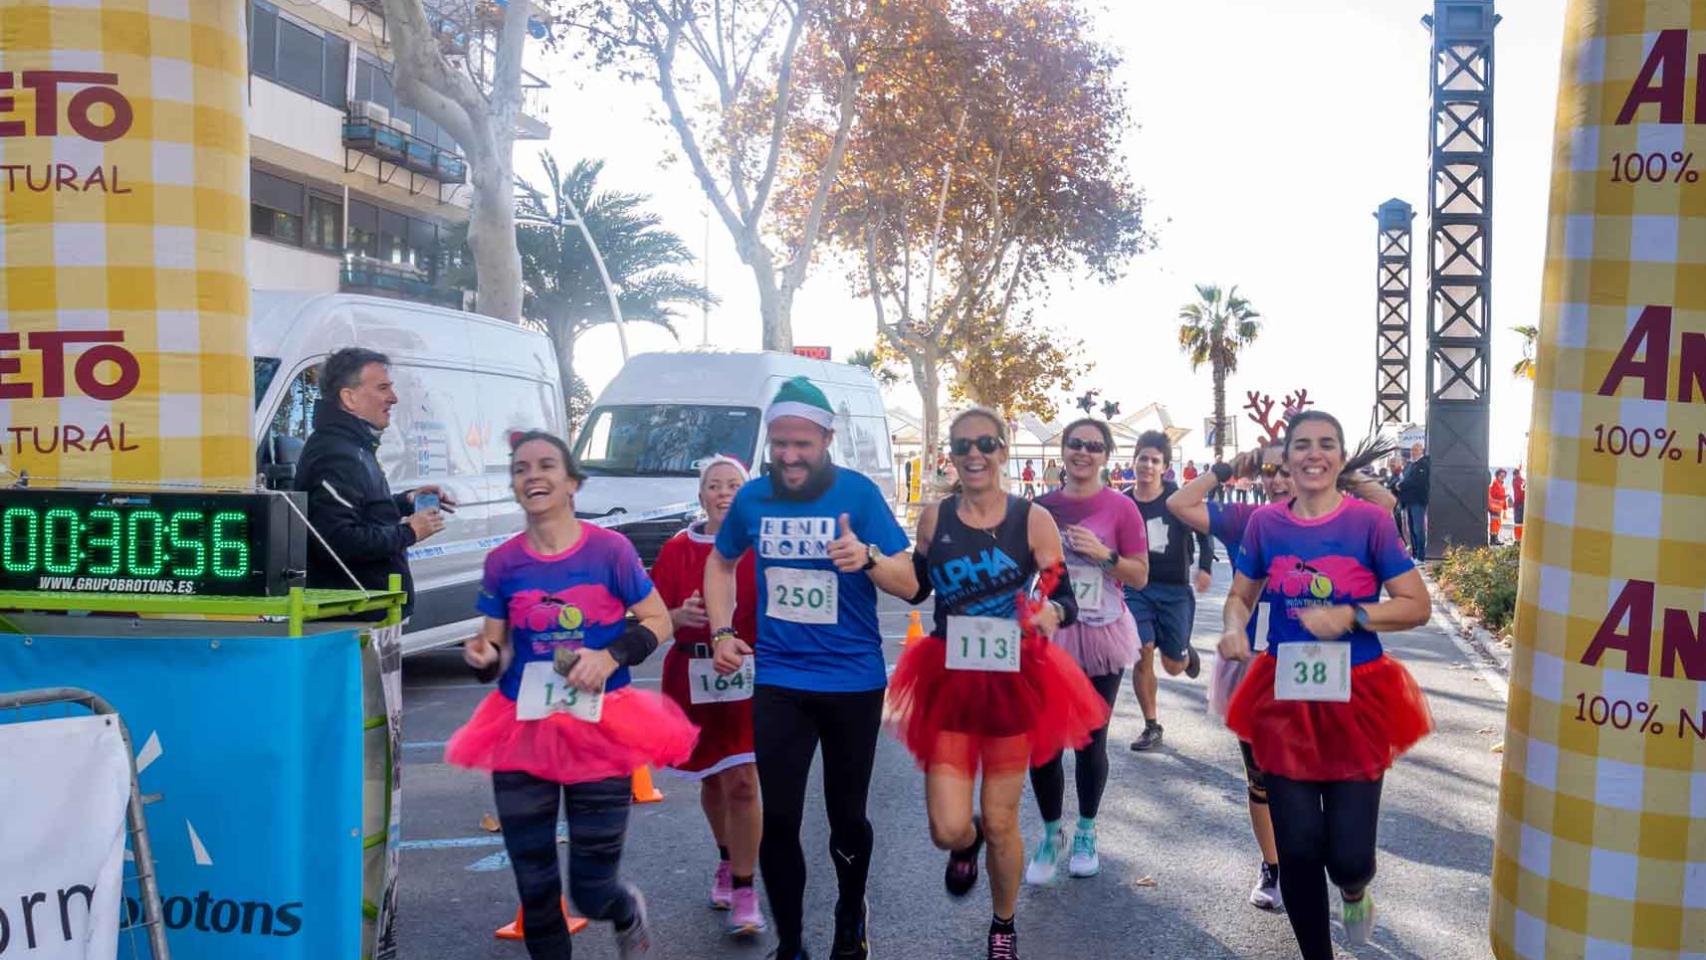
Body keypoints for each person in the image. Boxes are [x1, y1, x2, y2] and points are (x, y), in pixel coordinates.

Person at [447, 431, 699, 960]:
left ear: (572, 483)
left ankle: (625, 910)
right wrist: (482, 657)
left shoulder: (611, 551)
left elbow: (658, 619)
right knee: (536, 889)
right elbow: (494, 643)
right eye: (520, 469)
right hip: (523, 726)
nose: (532, 476)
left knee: (591, 889)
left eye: (545, 466)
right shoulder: (503, 563)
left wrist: (610, 657)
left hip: (601, 726)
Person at [705, 377, 916, 960]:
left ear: (827, 439)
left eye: (803, 444)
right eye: (780, 444)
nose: (791, 456)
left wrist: (868, 557)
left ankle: (851, 913)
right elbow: (720, 563)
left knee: (847, 816)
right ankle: (792, 943)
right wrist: (723, 631)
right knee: (780, 818)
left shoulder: (859, 495)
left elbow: (912, 584)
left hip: (853, 681)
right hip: (779, 680)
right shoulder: (751, 498)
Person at [887, 409, 1109, 960]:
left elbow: (1064, 595)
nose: (974, 454)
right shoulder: (934, 519)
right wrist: (869, 560)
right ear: (951, 456)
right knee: (946, 825)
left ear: (1003, 451)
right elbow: (917, 588)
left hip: (1014, 679)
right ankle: (967, 842)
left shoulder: (1032, 520)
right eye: (963, 446)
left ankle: (1003, 924)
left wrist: (1052, 614)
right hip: (950, 680)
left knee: (1006, 815)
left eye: (986, 443)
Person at [1218, 411, 1433, 959]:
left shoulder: (1369, 523)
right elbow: (1241, 594)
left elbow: (1416, 606)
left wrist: (1350, 617)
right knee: (1297, 846)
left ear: (1339, 457)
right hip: (1284, 694)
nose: (1314, 454)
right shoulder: (1266, 524)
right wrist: (1233, 627)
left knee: (1349, 858)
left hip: (1356, 696)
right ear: (1285, 458)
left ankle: (1356, 890)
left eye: (1326, 445)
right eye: (1302, 446)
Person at [1167, 441, 1290, 911]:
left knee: (1315, 773)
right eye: (1268, 470)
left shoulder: (1332, 518)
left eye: (1289, 468)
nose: (1277, 480)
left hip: (1319, 668)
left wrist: (1341, 471)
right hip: (1253, 664)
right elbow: (1179, 503)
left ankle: (1331, 864)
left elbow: (1384, 506)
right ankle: (1274, 868)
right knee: (1261, 776)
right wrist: (1223, 469)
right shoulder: (1246, 521)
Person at [1028, 419, 1149, 883]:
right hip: (1051, 631)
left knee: (1089, 738)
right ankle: (1050, 833)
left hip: (1101, 630)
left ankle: (1086, 831)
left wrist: (1104, 554)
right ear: (1063, 450)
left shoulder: (1121, 509)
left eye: (1094, 446)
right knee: (1043, 741)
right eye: (1076, 444)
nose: (1084, 452)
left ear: (1106, 455)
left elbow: (1139, 576)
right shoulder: (1041, 507)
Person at [654, 457, 766, 936]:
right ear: (700, 496)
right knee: (713, 781)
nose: (723, 493)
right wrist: (677, 616)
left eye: (733, 485)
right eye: (714, 486)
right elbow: (652, 618)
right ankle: (726, 858)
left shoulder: (761, 546)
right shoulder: (678, 549)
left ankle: (745, 888)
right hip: (692, 674)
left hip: (749, 675)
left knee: (743, 778)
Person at [296, 347, 452, 618]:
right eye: (382, 388)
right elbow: (336, 538)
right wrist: (409, 532)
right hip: (352, 618)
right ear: (349, 397)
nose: (393, 398)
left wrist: (405, 501)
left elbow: (358, 511)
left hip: (368, 612)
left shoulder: (353, 446)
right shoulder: (336, 453)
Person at [1124, 430, 1212, 753]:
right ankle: (1151, 725)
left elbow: (1205, 531)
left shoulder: (1177, 498)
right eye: (1142, 458)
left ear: (1164, 467)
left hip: (1175, 590)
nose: (1147, 465)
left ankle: (1183, 651)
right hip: (1137, 589)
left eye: (1154, 460)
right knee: (1141, 649)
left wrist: (1206, 567)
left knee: (1173, 665)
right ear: (1133, 462)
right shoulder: (1123, 502)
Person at [1395, 443, 1430, 560]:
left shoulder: (1424, 464)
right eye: (1412, 450)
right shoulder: (1411, 465)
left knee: (1418, 529)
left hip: (1418, 501)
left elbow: (1417, 482)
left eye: (1416, 449)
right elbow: (1404, 478)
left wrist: (1402, 485)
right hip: (1408, 501)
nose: (1413, 452)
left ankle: (1421, 556)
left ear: (1421, 451)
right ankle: (1415, 555)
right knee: (1411, 529)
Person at [1488, 468, 1508, 545]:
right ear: (1497, 475)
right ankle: (1493, 540)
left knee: (1497, 523)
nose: (1503, 477)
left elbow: (1501, 497)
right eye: (1501, 475)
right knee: (1495, 523)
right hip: (1494, 507)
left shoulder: (1500, 484)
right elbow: (1495, 494)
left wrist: (1505, 507)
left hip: (1497, 507)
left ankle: (1495, 538)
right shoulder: (1495, 483)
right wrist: (1505, 495)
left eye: (1504, 476)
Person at [1511, 467, 1526, 544]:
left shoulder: (1515, 481)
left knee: (1518, 523)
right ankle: (1521, 539)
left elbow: (1518, 494)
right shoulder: (1523, 481)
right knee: (1522, 523)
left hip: (1518, 503)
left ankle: (1518, 540)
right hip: (1523, 503)